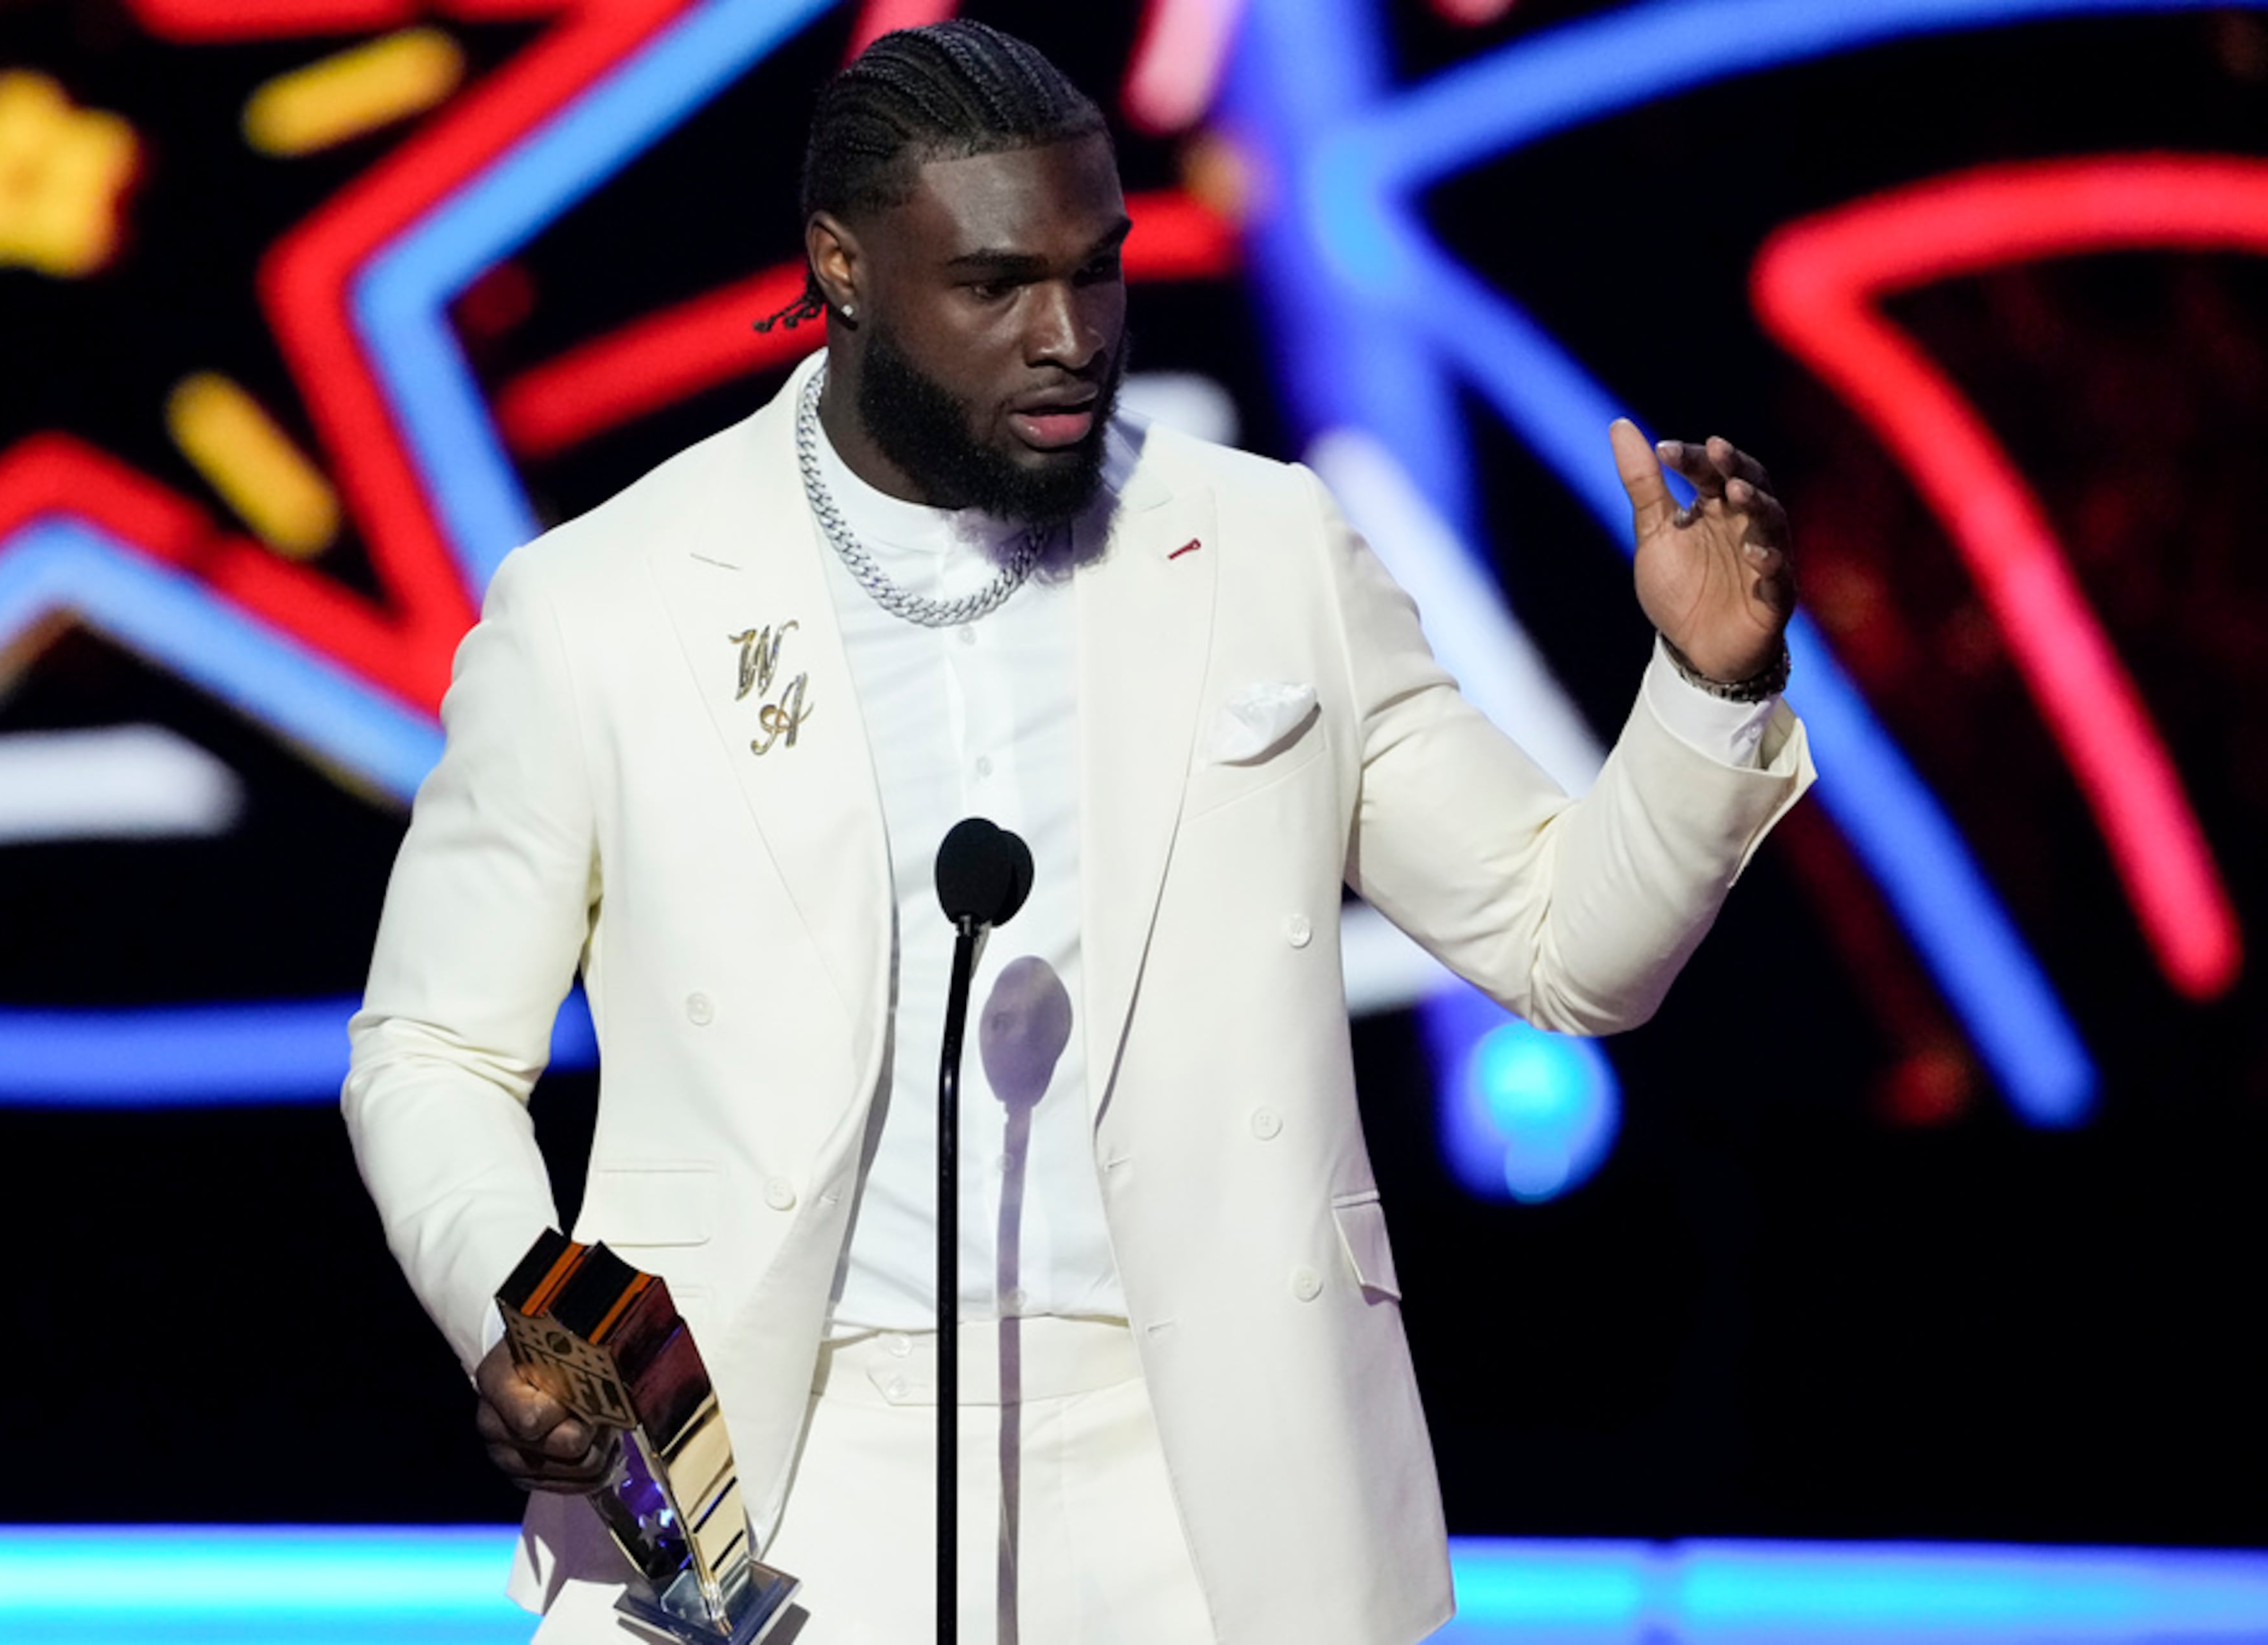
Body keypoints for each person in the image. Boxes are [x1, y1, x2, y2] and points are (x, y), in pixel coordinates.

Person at [343, 20, 1813, 1645]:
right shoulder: (608, 606)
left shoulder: (1265, 550)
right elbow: (430, 1049)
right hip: (782, 1471)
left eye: (1097, 272)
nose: (1070, 336)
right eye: (994, 286)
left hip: (1218, 1490)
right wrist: (534, 1317)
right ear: (840, 268)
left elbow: (1564, 948)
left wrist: (1705, 687)